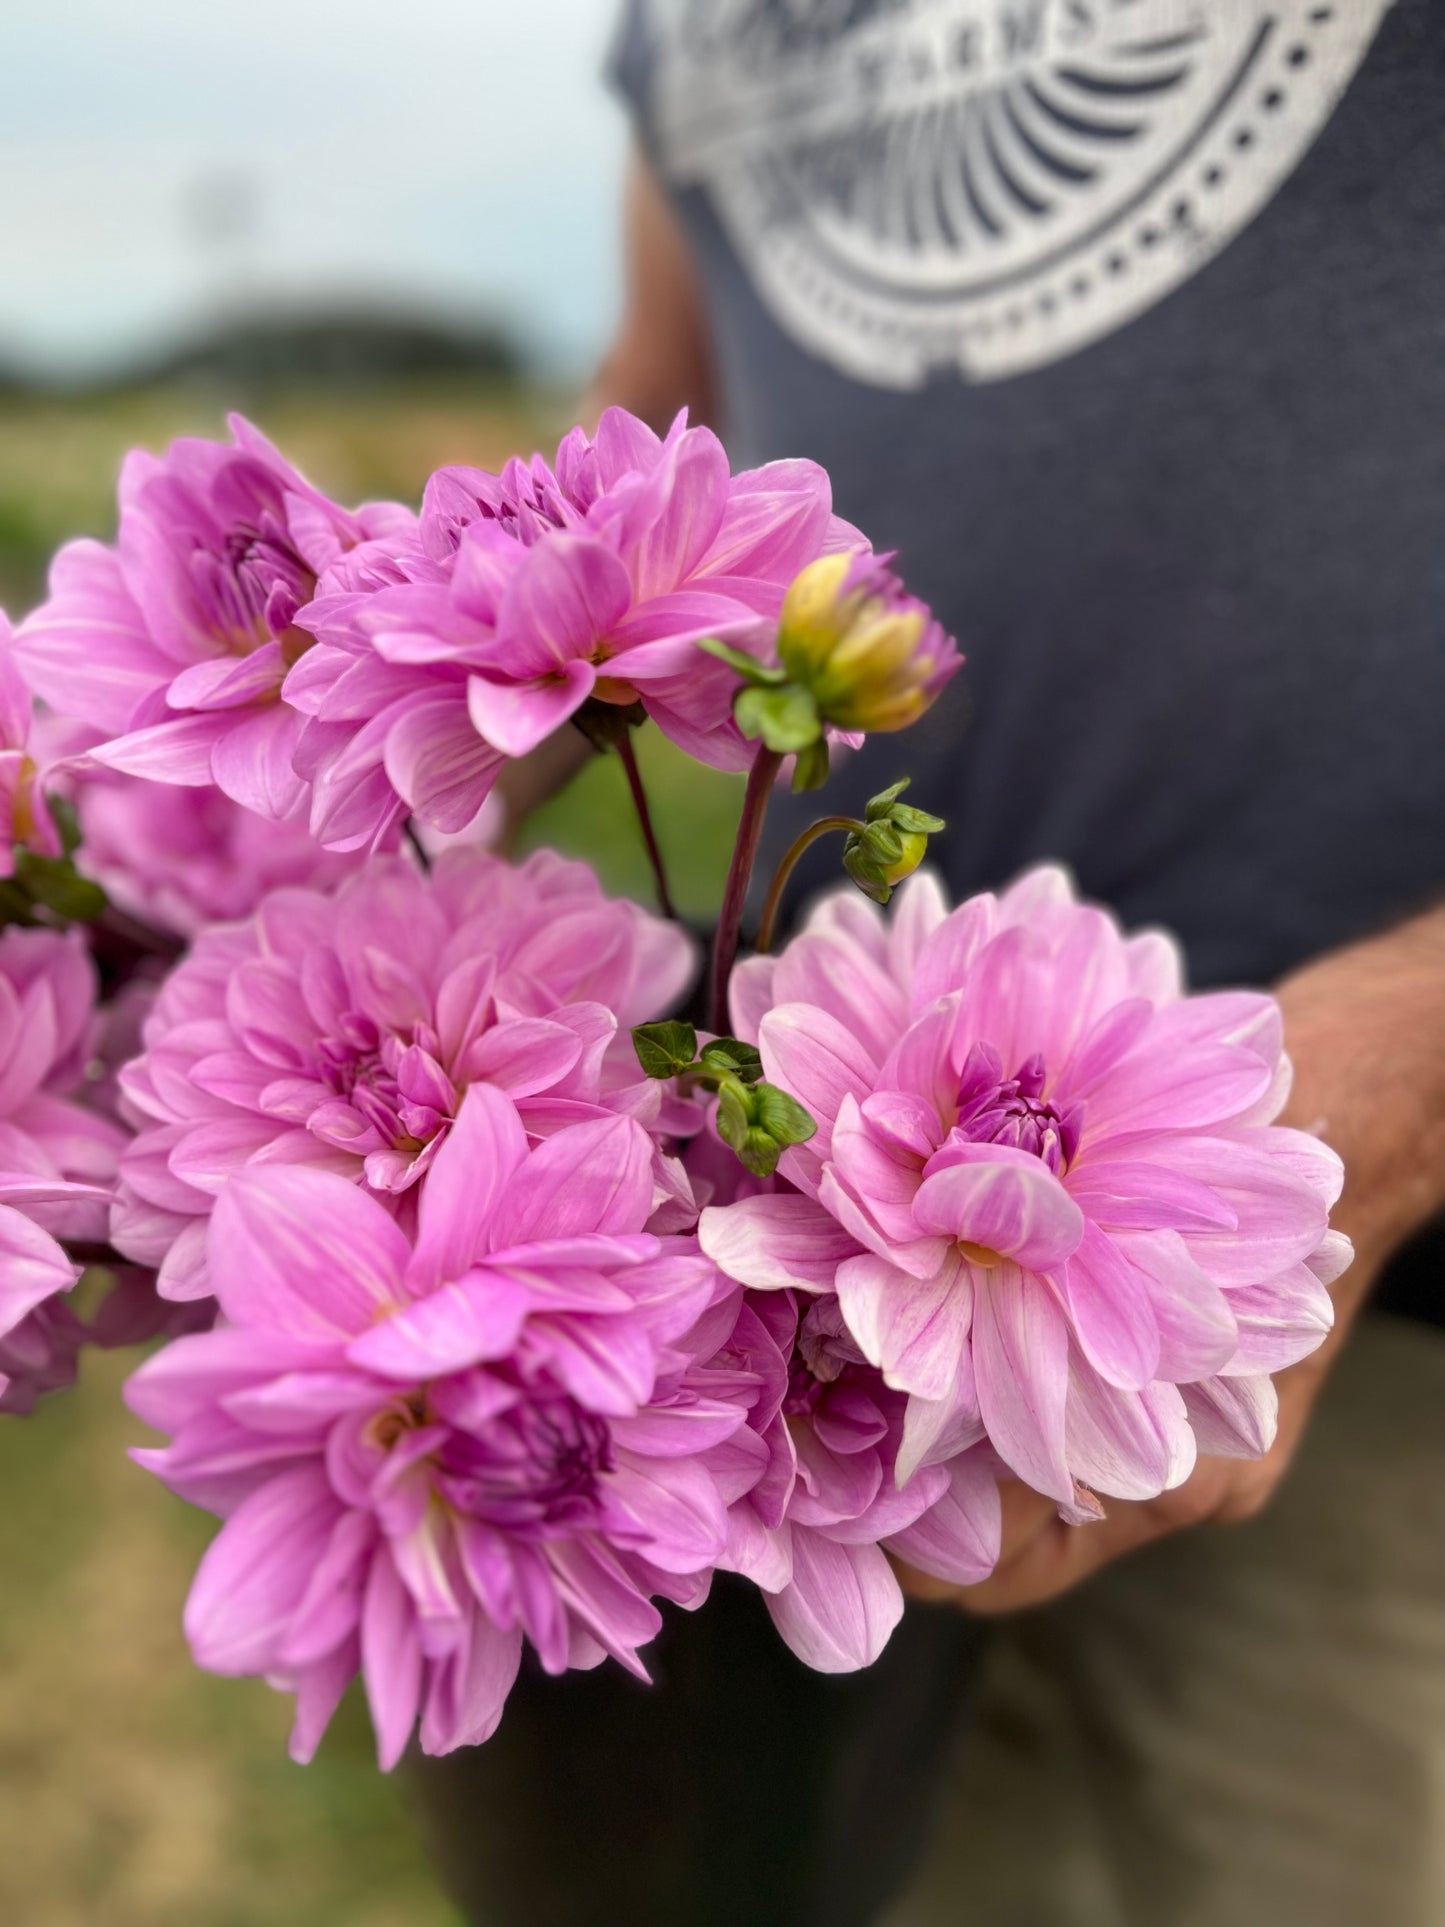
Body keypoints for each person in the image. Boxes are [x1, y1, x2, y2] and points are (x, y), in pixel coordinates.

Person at [412, 5, 1445, 1921]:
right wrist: (309, 777)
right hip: (806, 1243)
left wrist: (1403, 1078)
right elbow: (662, 411)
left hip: (1374, 1307)